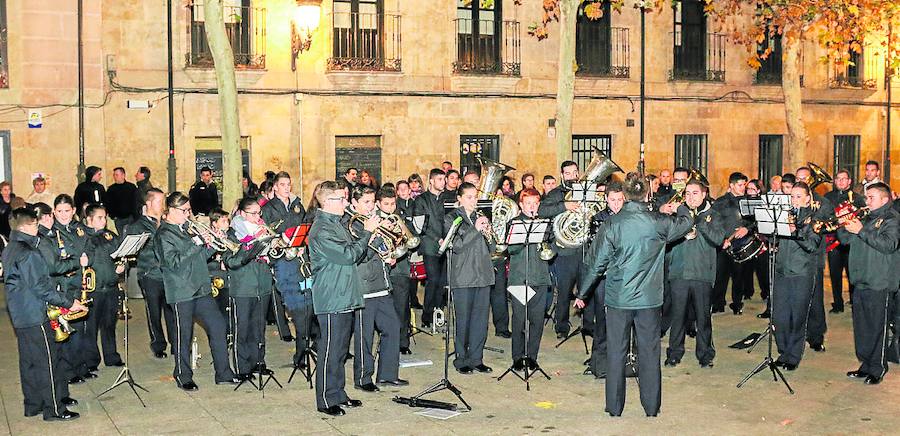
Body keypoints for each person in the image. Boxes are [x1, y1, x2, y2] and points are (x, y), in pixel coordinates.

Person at [577, 173, 692, 417]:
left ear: (626, 195)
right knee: (649, 351)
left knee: (616, 351)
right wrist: (679, 205)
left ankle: (615, 407)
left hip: (619, 299)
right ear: (647, 195)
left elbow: (597, 264)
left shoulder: (613, 224)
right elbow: (686, 223)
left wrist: (582, 292)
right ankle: (651, 407)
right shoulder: (658, 222)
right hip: (649, 300)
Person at [3, 207, 89, 421]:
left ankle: (33, 405)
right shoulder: (29, 253)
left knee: (29, 362)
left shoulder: (10, 248)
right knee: (48, 362)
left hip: (19, 315)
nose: (37, 229)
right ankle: (55, 409)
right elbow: (41, 288)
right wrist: (70, 303)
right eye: (35, 225)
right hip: (35, 313)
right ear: (28, 226)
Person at [308, 180, 379, 416]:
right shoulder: (322, 229)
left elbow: (355, 255)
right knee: (329, 351)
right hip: (331, 296)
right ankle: (326, 400)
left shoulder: (337, 223)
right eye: (341, 199)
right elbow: (349, 255)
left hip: (345, 293)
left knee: (340, 350)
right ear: (328, 202)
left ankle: (338, 393)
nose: (346, 203)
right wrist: (367, 232)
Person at [154, 192, 237, 391]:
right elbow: (172, 262)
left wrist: (212, 244)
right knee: (184, 335)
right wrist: (196, 242)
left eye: (188, 210)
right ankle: (183, 375)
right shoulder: (164, 234)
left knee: (217, 326)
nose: (188, 214)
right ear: (172, 211)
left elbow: (200, 257)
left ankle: (224, 373)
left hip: (200, 287)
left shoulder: (186, 229)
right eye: (184, 211)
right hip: (181, 290)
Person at [346, 185, 405, 392]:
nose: (371, 207)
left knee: (392, 327)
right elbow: (359, 256)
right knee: (365, 335)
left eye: (372, 202)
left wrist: (388, 253)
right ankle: (363, 378)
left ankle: (388, 374)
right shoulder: (351, 224)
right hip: (364, 287)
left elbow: (382, 248)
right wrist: (374, 237)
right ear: (354, 204)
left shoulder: (371, 221)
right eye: (366, 202)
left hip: (381, 284)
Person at [839, 182, 899, 385]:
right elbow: (845, 240)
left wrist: (861, 230)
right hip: (860, 279)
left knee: (877, 327)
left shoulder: (892, 219)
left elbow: (888, 245)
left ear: (884, 199)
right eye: (866, 197)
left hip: (879, 281)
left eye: (871, 197)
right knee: (862, 327)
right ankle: (865, 364)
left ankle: (878, 367)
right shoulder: (865, 217)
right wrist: (844, 224)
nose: (867, 201)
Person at [664, 180, 727, 368]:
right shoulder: (679, 214)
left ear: (704, 194)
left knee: (703, 317)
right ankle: (674, 352)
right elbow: (666, 238)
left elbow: (718, 239)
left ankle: (705, 354)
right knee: (677, 316)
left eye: (695, 193)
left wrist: (699, 222)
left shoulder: (713, 215)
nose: (690, 198)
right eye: (688, 194)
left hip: (702, 274)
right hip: (679, 272)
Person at [445, 182, 496, 375]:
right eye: (469, 197)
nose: (473, 201)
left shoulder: (481, 216)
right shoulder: (452, 218)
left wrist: (489, 232)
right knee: (463, 320)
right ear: (459, 198)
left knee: (481, 320)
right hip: (463, 275)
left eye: (475, 197)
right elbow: (457, 245)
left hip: (483, 274)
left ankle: (477, 358)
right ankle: (461, 359)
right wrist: (475, 229)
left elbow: (493, 248)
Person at [771, 182, 821, 371]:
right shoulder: (784, 215)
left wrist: (795, 231)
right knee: (780, 317)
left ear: (808, 198)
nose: (794, 200)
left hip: (802, 273)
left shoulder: (814, 219)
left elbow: (812, 246)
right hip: (782, 271)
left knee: (797, 317)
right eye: (792, 196)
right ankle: (783, 352)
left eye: (799, 196)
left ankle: (793, 356)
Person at [538, 160, 591, 339]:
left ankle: (589, 324)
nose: (572, 176)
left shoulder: (586, 192)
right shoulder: (556, 193)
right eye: (568, 173)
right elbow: (542, 210)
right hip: (564, 251)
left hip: (584, 249)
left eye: (575, 172)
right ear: (562, 175)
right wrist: (564, 206)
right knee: (564, 291)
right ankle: (561, 325)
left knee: (587, 288)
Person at [578, 182, 625, 379]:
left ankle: (618, 358)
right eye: (612, 200)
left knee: (620, 320)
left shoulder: (628, 217)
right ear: (606, 199)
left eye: (620, 200)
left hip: (622, 276)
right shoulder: (598, 219)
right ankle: (598, 359)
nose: (616, 204)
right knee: (601, 318)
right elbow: (598, 250)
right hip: (603, 276)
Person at [225, 198, 274, 380]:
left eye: (259, 213)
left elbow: (273, 256)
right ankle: (242, 367)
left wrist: (274, 246)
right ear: (242, 214)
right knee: (242, 328)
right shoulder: (232, 233)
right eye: (253, 213)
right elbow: (230, 261)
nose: (257, 217)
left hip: (262, 284)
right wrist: (252, 246)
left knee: (259, 327)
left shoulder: (264, 228)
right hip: (243, 286)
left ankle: (258, 362)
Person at [506, 188, 553, 371]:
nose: (532, 207)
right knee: (518, 320)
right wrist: (523, 239)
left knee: (537, 321)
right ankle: (517, 357)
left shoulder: (545, 224)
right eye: (528, 204)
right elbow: (510, 250)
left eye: (535, 203)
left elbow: (551, 247)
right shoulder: (514, 223)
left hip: (540, 277)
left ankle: (532, 356)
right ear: (521, 205)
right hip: (520, 277)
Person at [124, 188, 173, 359]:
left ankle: (176, 343)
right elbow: (133, 251)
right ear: (149, 204)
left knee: (172, 310)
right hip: (149, 273)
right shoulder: (138, 225)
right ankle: (158, 344)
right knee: (154, 311)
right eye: (160, 202)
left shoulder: (167, 222)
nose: (163, 205)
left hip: (168, 274)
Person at [52, 194, 95, 384]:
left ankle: (81, 366)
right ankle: (68, 371)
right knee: (66, 330)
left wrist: (88, 258)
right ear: (54, 212)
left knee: (81, 329)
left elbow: (90, 248)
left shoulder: (79, 229)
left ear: (74, 211)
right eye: (59, 211)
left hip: (81, 285)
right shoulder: (52, 233)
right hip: (64, 287)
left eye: (67, 211)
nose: (63, 215)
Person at [260, 172, 304, 342]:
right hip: (280, 257)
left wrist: (301, 244)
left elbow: (303, 223)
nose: (287, 188)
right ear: (276, 187)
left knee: (302, 291)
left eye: (288, 184)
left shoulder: (297, 204)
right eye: (283, 185)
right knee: (286, 295)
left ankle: (303, 331)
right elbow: (266, 232)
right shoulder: (268, 208)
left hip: (298, 254)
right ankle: (286, 329)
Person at [81, 204, 126, 371]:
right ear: (89, 220)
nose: (104, 220)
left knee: (109, 324)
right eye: (99, 217)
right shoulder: (85, 237)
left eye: (105, 217)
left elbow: (121, 253)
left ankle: (111, 356)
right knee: (91, 326)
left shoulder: (110, 236)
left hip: (111, 286)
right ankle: (91, 360)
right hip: (95, 289)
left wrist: (122, 265)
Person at [796, 166, 833, 353]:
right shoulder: (790, 200)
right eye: (798, 177)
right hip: (793, 257)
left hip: (813, 255)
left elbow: (825, 224)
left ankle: (816, 336)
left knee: (815, 298)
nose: (802, 180)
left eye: (805, 178)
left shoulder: (822, 203)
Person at [377, 187, 414, 355]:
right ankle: (387, 341)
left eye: (393, 203)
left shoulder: (400, 216)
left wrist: (401, 229)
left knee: (402, 307)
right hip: (382, 270)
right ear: (378, 204)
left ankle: (402, 342)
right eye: (386, 204)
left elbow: (411, 240)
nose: (390, 208)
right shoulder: (374, 220)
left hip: (401, 269)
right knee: (383, 310)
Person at [824, 169, 865, 313]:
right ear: (835, 181)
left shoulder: (858, 198)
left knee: (852, 274)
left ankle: (855, 301)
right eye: (838, 179)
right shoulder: (827, 197)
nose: (841, 181)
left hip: (852, 242)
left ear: (849, 181)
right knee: (835, 275)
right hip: (833, 241)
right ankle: (838, 303)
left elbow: (863, 218)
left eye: (844, 179)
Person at [711, 172, 752, 315]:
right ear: (732, 185)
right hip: (724, 244)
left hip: (741, 244)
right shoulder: (721, 202)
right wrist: (722, 240)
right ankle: (718, 303)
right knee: (720, 276)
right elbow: (714, 222)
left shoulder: (748, 201)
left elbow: (755, 221)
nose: (743, 188)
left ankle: (737, 303)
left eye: (744, 185)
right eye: (740, 185)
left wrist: (747, 228)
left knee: (738, 276)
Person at [412, 169, 447, 329]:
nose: (443, 182)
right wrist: (437, 238)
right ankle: (427, 316)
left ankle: (437, 313)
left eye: (444, 179)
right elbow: (421, 225)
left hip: (446, 245)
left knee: (442, 282)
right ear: (431, 181)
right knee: (433, 281)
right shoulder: (421, 200)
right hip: (430, 245)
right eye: (440, 179)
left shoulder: (445, 199)